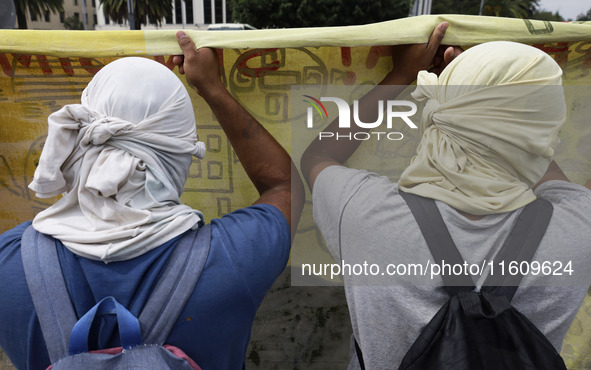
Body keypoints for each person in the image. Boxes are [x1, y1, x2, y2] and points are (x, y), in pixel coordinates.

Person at [0, 32, 303, 369]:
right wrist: (212, 90)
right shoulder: (234, 257)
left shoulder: (8, 261)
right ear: (178, 155)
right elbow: (284, 185)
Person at [300, 22, 591, 368]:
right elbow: (531, 147)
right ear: (543, 133)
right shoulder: (579, 229)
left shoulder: (364, 212)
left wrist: (401, 74)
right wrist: (502, 105)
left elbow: (318, 157)